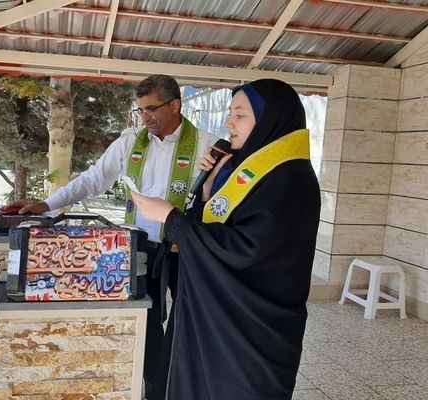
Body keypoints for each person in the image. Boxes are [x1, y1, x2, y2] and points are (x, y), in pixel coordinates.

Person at [4, 74, 218, 398]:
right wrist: (47, 204)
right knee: (147, 320)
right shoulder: (130, 142)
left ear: (175, 106)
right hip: (141, 248)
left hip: (186, 248)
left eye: (152, 109)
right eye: (140, 110)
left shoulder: (206, 144)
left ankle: (190, 385)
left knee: (191, 322)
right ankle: (156, 388)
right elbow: (92, 179)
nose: (145, 117)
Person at [131, 79, 321, 399]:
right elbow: (219, 227)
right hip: (221, 317)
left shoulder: (290, 178)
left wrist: (171, 218)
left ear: (270, 119)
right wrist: (208, 189)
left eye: (240, 115)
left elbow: (248, 251)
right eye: (231, 113)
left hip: (252, 327)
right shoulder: (249, 170)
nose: (228, 122)